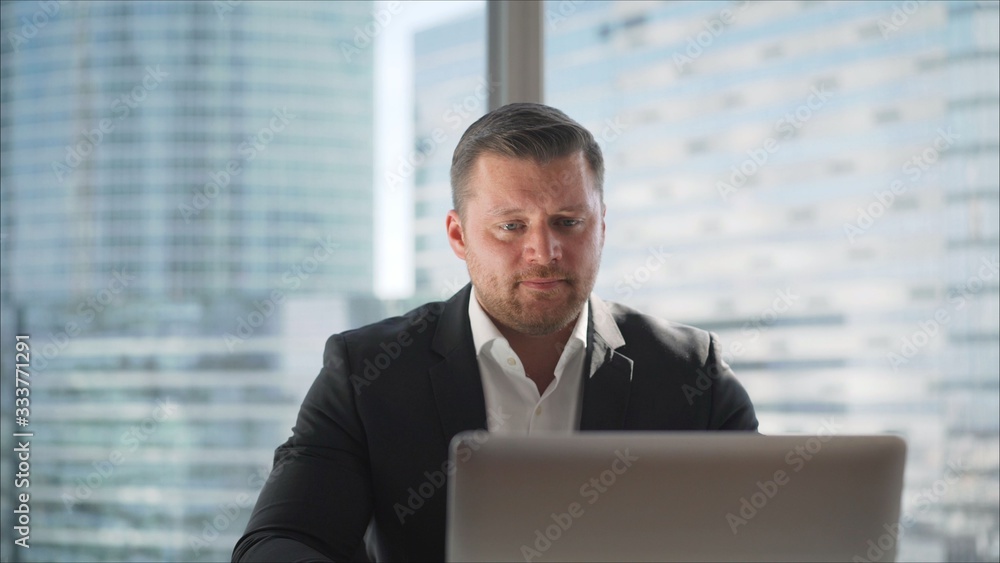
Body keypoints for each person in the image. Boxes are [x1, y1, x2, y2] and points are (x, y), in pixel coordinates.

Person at [232, 103, 757, 562]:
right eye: (511, 226)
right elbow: (278, 542)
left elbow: (767, 534)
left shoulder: (692, 371)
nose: (544, 252)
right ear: (459, 236)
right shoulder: (367, 372)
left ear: (602, 226)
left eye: (568, 222)